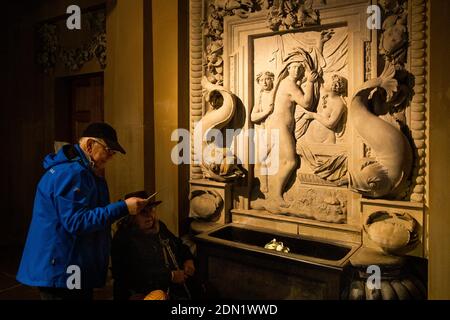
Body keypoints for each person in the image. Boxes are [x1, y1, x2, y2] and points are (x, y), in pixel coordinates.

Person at [16, 122, 148, 300]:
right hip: (62, 267)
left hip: (71, 263)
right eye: (108, 149)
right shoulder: (72, 173)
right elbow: (76, 222)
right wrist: (123, 207)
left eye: (113, 153)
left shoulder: (84, 171)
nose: (111, 156)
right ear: (89, 145)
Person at [111, 191, 198, 300]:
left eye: (151, 210)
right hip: (137, 293)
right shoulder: (123, 238)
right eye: (143, 212)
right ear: (131, 216)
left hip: (169, 288)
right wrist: (170, 276)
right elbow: (133, 274)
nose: (149, 216)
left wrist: (188, 260)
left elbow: (179, 245)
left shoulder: (158, 227)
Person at [299, 73, 347, 144]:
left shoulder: (339, 104)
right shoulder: (322, 93)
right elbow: (314, 83)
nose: (324, 83)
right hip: (310, 134)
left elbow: (331, 124)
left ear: (334, 85)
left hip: (326, 139)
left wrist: (313, 115)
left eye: (327, 82)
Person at [251, 71, 275, 194]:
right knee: (261, 159)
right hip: (262, 132)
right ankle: (263, 187)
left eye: (267, 79)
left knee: (271, 159)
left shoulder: (275, 94)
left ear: (272, 80)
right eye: (261, 80)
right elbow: (253, 117)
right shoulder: (260, 97)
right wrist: (266, 112)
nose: (264, 82)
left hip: (274, 131)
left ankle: (270, 187)